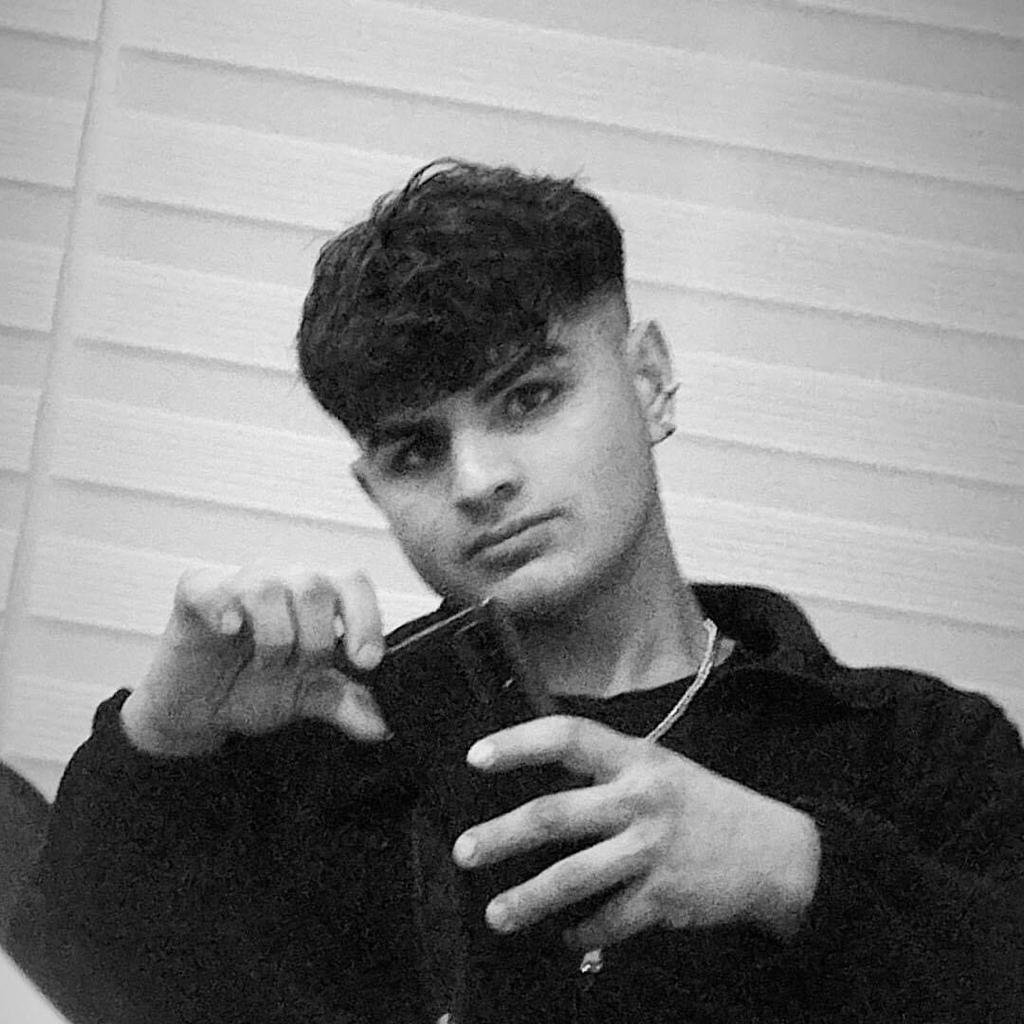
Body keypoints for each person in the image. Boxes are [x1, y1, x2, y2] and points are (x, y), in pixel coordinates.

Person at [9, 160, 1023, 1024]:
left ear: (650, 379)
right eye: (415, 450)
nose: (477, 479)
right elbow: (72, 980)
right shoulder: (310, 751)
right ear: (372, 489)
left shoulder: (920, 754)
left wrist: (799, 871)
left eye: (529, 397)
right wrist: (162, 737)